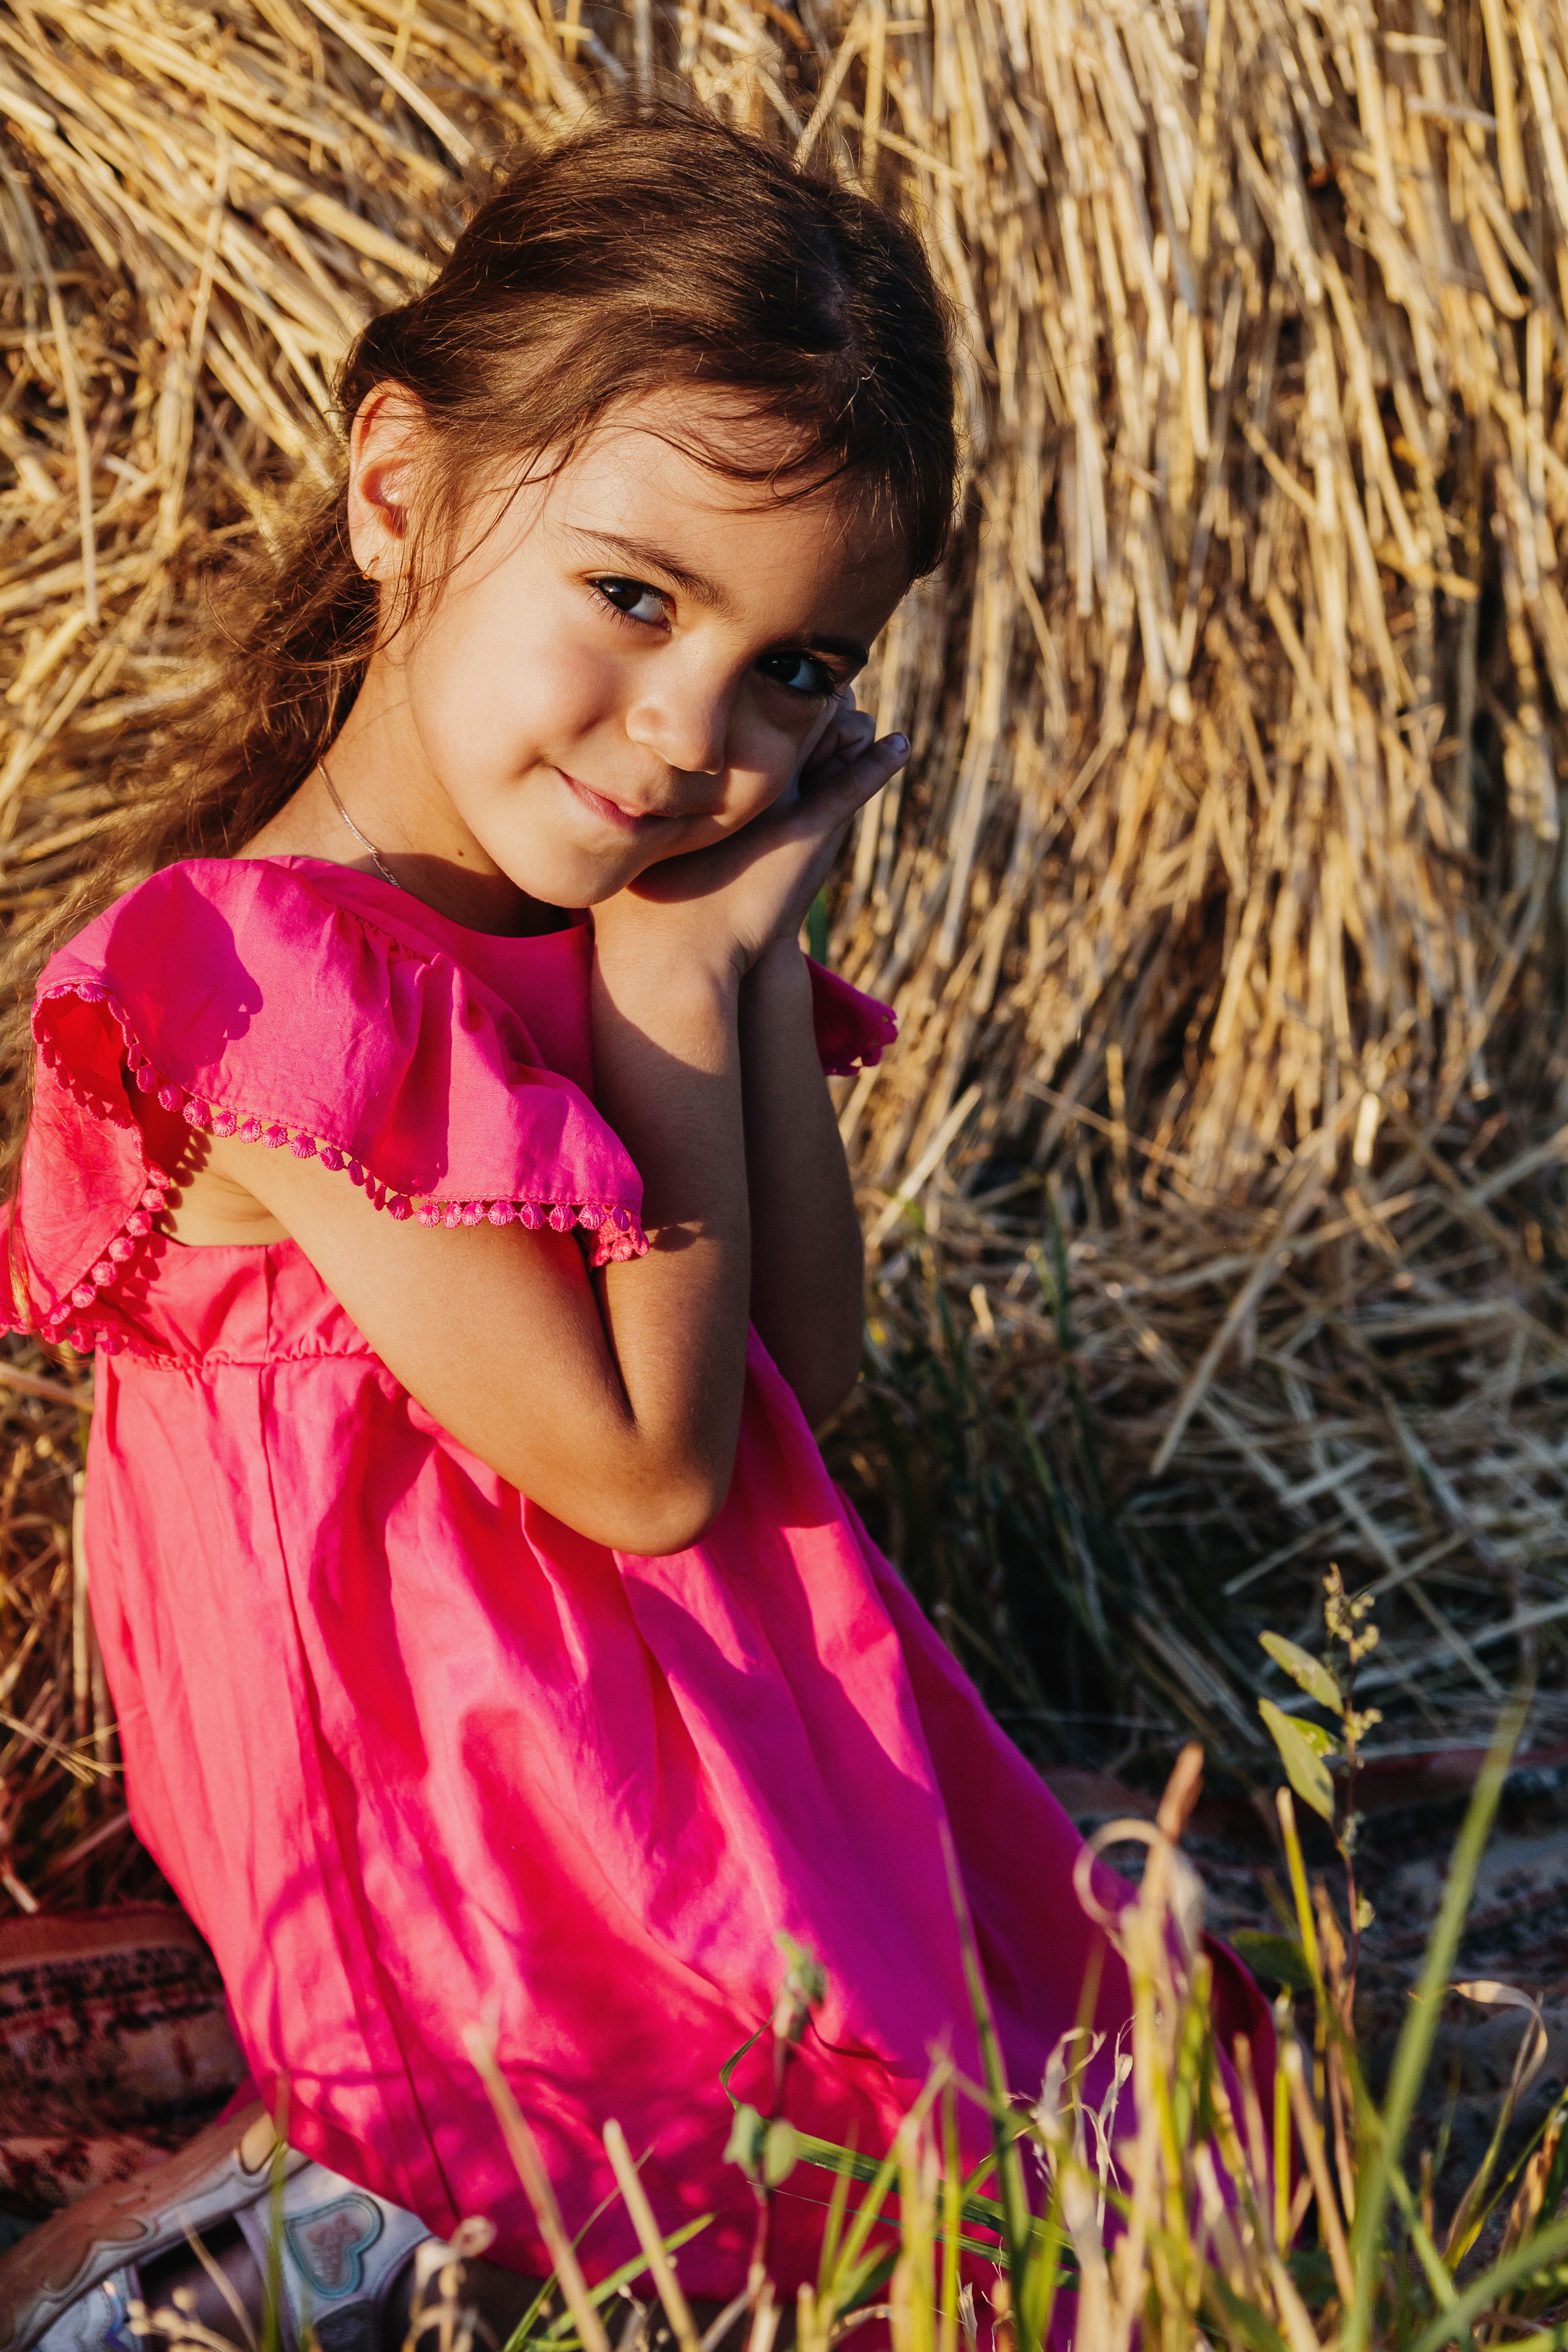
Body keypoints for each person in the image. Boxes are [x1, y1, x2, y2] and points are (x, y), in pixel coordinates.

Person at [0, 105, 1266, 2352]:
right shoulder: (255, 974)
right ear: (399, 491)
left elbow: (800, 1374)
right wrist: (683, 985)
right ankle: (269, 2216)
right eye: (631, 596)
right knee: (866, 2242)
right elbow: (649, 1472)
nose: (694, 732)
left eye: (798, 670)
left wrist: (743, 972)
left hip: (695, 1799)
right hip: (475, 1903)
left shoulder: (616, 922)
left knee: (1169, 2136)